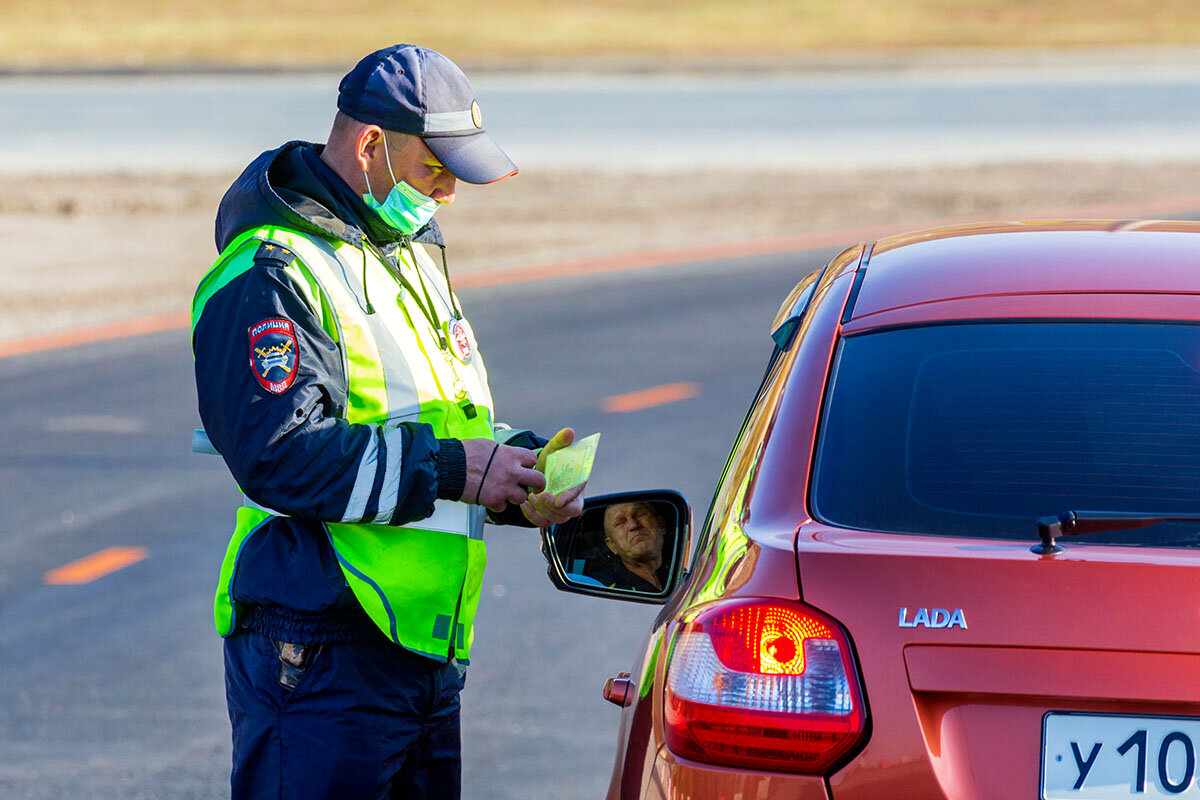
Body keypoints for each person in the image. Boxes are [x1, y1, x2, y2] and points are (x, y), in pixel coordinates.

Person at [191, 44, 585, 799]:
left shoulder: (407, 248)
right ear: (371, 145)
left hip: (419, 654)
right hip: (319, 650)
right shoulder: (274, 272)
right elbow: (282, 457)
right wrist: (454, 470)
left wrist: (516, 473)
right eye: (437, 168)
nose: (449, 191)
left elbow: (436, 417)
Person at [590, 501, 669, 592]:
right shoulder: (602, 588)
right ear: (612, 546)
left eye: (640, 514)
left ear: (661, 525)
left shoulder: (682, 575)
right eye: (620, 522)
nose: (634, 525)